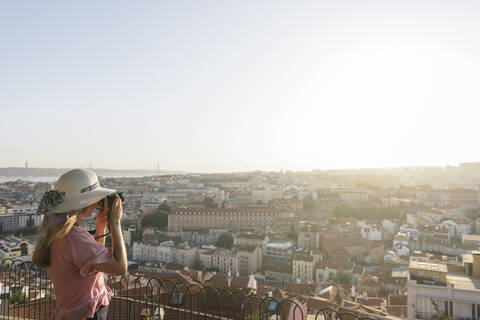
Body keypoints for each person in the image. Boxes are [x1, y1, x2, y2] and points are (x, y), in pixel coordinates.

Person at [32, 169, 127, 320]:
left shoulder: (56, 230)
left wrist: (101, 227)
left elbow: (94, 261)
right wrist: (115, 224)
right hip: (89, 313)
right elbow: (120, 267)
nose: (97, 203)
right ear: (85, 202)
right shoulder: (75, 237)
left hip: (71, 311)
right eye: (96, 199)